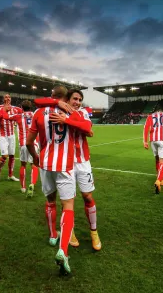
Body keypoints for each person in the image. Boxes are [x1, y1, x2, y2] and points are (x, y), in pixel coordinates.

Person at [26, 86, 92, 275]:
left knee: (50, 201)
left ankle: (53, 235)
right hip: (65, 166)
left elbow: (29, 142)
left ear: (52, 96)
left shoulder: (39, 112)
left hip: (46, 164)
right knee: (68, 206)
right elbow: (87, 129)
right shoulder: (72, 112)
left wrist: (36, 159)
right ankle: (63, 250)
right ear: (67, 98)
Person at [34, 89, 101, 251]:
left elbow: (87, 126)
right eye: (74, 99)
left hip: (82, 161)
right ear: (67, 100)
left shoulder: (82, 113)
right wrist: (57, 102)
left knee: (87, 196)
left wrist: (67, 121)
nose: (77, 102)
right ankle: (69, 231)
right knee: (67, 199)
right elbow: (38, 101)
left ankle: (94, 231)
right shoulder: (59, 110)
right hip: (65, 162)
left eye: (80, 99)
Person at [2, 100, 39, 196]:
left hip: (23, 144)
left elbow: (5, 117)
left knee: (23, 165)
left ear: (22, 108)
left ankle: (23, 187)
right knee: (34, 165)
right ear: (31, 107)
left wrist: (4, 109)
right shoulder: (35, 115)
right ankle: (32, 184)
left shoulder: (18, 116)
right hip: (34, 143)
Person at [143, 109, 163, 194]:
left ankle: (161, 179)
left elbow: (146, 128)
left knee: (157, 160)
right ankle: (158, 181)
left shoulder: (150, 116)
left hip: (153, 140)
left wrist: (145, 141)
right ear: (162, 111)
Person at [0, 94, 22, 183]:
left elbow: (24, 113)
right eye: (6, 97)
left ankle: (10, 175)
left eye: (9, 97)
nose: (7, 98)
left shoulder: (15, 109)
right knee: (4, 156)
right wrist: (4, 110)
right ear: (3, 99)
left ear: (11, 99)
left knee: (12, 156)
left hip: (11, 135)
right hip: (2, 135)